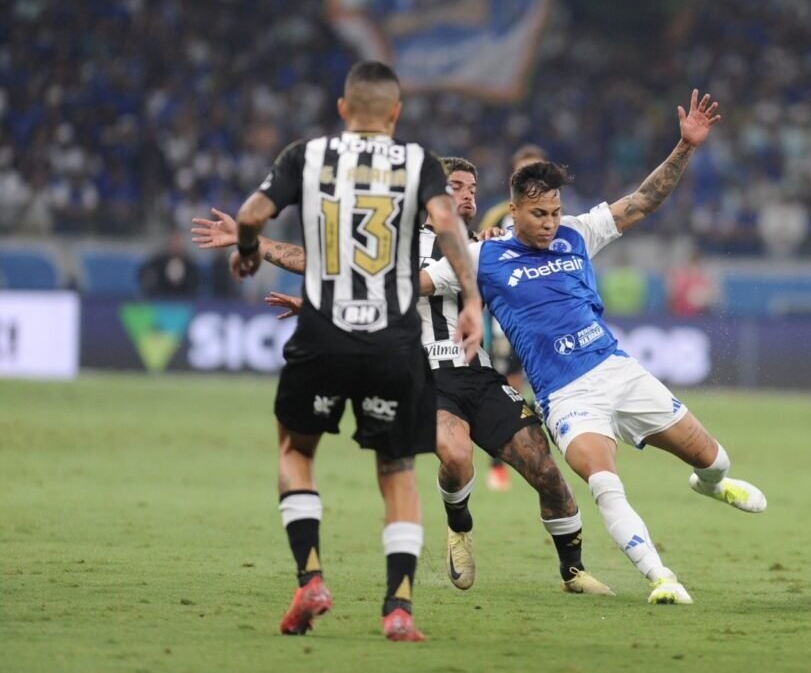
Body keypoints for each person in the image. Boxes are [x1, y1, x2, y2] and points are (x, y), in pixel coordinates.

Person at [193, 157, 611, 597]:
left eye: (472, 186)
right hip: (424, 374)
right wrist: (252, 243)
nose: (468, 194)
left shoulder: (490, 247)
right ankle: (459, 526)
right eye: (456, 186)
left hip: (477, 372)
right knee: (454, 453)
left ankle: (573, 571)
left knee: (544, 468)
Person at [422, 90, 768, 605]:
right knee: (604, 483)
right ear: (513, 209)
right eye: (538, 213)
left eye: (556, 211)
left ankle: (712, 483)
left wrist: (684, 147)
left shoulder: (578, 234)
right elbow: (413, 286)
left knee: (716, 460)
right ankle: (661, 578)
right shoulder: (482, 255)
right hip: (566, 396)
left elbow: (644, 201)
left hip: (618, 371)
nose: (549, 222)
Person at [222, 61, 483, 641]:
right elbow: (448, 226)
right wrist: (470, 298)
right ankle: (398, 608)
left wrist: (245, 251)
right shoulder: (417, 163)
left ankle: (310, 577)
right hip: (393, 341)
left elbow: (249, 217)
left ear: (343, 109)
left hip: (322, 334)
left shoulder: (306, 156)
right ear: (395, 113)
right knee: (397, 470)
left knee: (296, 451)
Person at [476, 143, 549, 491]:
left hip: (548, 316)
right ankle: (499, 462)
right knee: (511, 384)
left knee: (549, 385)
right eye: (525, 172)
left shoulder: (556, 216)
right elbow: (477, 257)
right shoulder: (496, 217)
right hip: (508, 317)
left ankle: (541, 443)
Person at [138, 230, 201, 298]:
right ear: (169, 243)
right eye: (174, 242)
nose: (176, 245)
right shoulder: (159, 261)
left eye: (178, 242)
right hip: (162, 297)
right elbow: (145, 272)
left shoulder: (189, 263)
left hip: (183, 298)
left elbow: (195, 281)